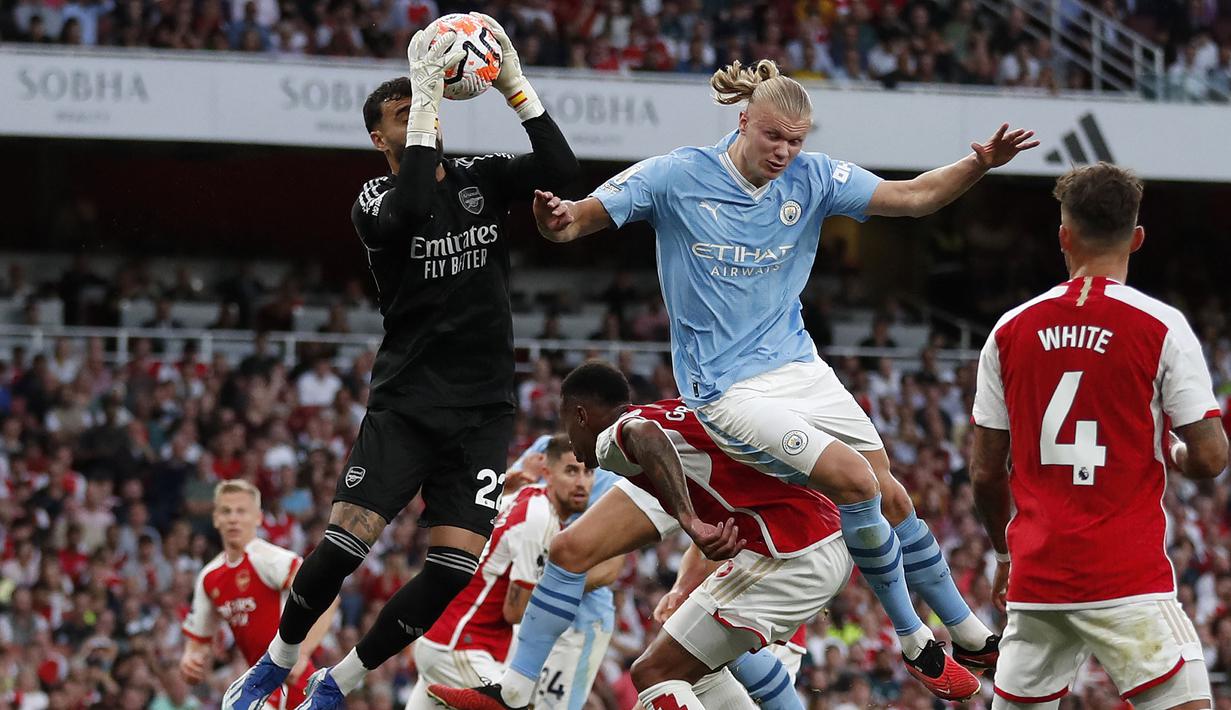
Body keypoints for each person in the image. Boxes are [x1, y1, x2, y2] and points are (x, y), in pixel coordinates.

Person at [528, 59, 1037, 698]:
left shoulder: (813, 177)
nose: (784, 152)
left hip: (798, 366)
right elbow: (578, 219)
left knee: (890, 491)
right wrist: (559, 218)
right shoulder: (676, 175)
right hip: (726, 389)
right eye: (773, 137)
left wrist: (979, 164)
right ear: (743, 121)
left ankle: (966, 632)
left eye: (795, 140)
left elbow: (913, 197)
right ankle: (913, 639)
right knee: (855, 482)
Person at [222, 13, 579, 710]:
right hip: (408, 404)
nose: (423, 114)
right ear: (379, 137)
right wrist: (422, 90)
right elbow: (414, 204)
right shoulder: (375, 200)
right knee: (345, 547)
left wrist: (515, 86)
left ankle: (339, 681)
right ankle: (277, 662)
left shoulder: (480, 177)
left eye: (426, 104)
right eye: (404, 112)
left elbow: (564, 171)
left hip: (482, 410)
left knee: (452, 569)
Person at [429, 362, 843, 710]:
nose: (570, 443)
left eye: (566, 425)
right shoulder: (663, 432)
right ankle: (515, 690)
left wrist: (687, 519)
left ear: (580, 415)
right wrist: (682, 579)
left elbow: (645, 437)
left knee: (657, 672)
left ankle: (516, 690)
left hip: (794, 550)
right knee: (572, 552)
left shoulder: (623, 436)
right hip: (804, 537)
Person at [971, 162, 1228, 710]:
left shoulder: (1009, 329)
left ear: (1063, 236)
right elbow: (1210, 457)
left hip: (1037, 577)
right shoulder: (1161, 326)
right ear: (1137, 239)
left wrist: (1003, 555)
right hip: (1124, 574)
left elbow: (986, 471)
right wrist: (1176, 452)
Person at [405, 436, 601, 710]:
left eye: (588, 472)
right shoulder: (540, 519)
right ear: (548, 473)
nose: (581, 482)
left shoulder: (522, 497)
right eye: (571, 471)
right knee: (513, 703)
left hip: (445, 637)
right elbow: (514, 612)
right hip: (462, 646)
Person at [180, 480, 337, 710]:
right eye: (226, 511)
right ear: (216, 518)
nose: (233, 518)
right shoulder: (209, 577)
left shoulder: (270, 559)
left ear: (258, 517)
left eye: (241, 511)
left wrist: (301, 652)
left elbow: (328, 597)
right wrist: (190, 659)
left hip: (293, 681)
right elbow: (199, 641)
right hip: (261, 684)